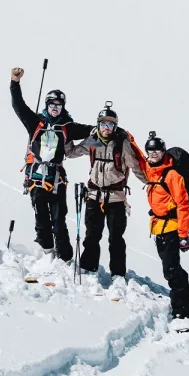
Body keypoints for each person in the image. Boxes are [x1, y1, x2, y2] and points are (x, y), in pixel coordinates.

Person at [10, 67, 91, 262]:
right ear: (47, 105)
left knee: (59, 219)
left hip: (56, 179)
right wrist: (15, 82)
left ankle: (64, 257)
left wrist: (107, 126)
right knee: (41, 219)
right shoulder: (35, 122)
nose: (55, 108)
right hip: (36, 177)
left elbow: (90, 130)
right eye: (52, 104)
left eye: (59, 105)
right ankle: (47, 251)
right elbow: (18, 106)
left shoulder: (67, 127)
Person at [65, 102, 146, 281]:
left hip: (116, 198)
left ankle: (117, 274)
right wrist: (66, 134)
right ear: (98, 124)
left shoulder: (121, 143)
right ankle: (88, 268)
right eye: (103, 123)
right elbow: (71, 153)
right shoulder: (93, 140)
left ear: (114, 126)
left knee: (116, 238)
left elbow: (135, 166)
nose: (106, 128)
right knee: (92, 235)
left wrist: (150, 183)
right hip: (94, 195)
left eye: (110, 124)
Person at [142, 131, 189, 321]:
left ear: (164, 152)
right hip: (158, 226)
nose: (154, 154)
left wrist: (183, 235)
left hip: (173, 227)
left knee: (170, 270)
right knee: (173, 267)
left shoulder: (172, 174)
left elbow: (183, 204)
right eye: (150, 151)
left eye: (157, 151)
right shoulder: (150, 169)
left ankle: (183, 311)